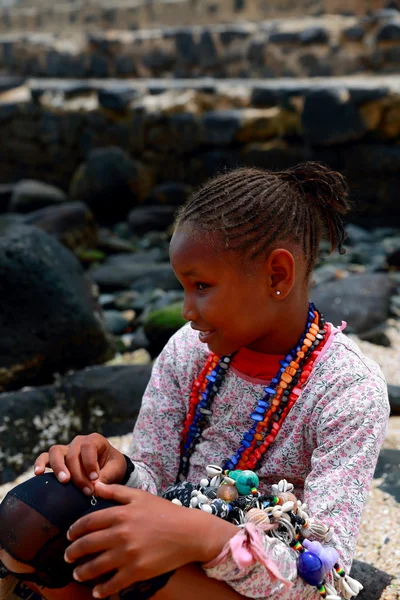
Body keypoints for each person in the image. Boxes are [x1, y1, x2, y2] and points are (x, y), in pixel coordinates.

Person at [3, 162, 390, 600]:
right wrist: (119, 470)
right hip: (169, 536)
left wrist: (205, 537)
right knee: (35, 510)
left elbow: (324, 579)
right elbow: (156, 481)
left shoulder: (348, 390)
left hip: (256, 580)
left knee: (132, 576)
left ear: (277, 275)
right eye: (183, 287)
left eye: (201, 286)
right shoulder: (190, 350)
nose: (186, 310)